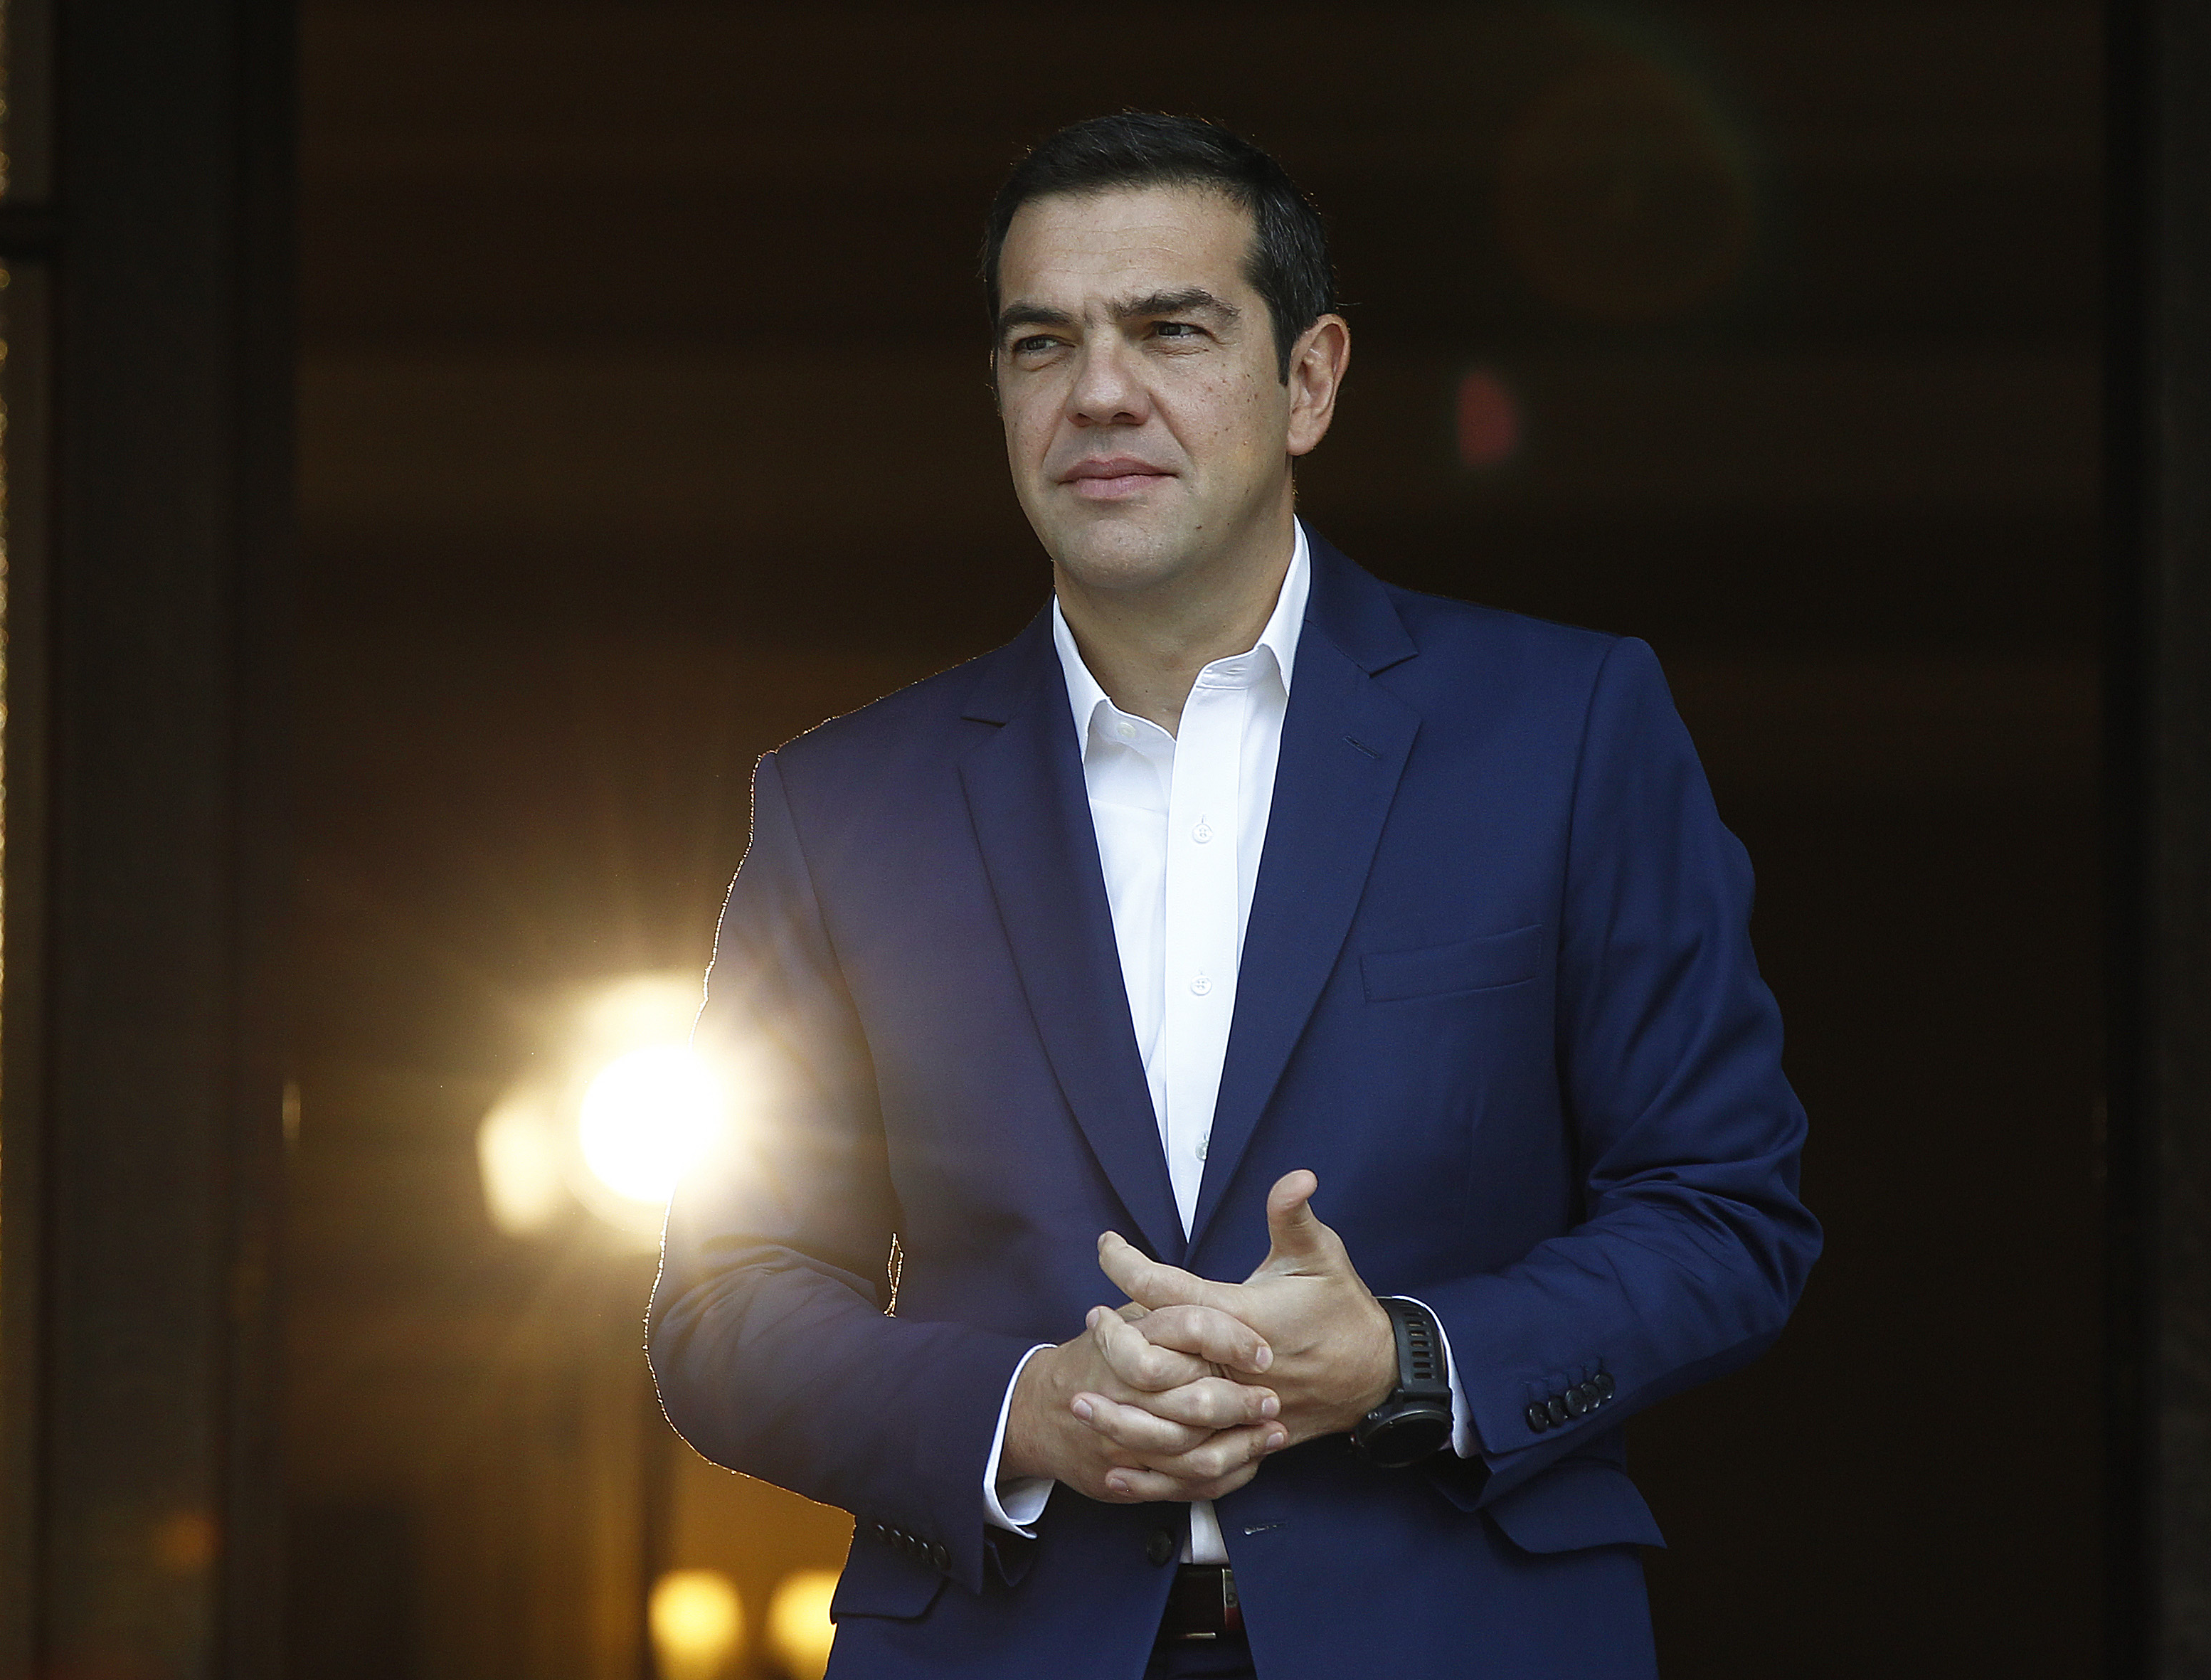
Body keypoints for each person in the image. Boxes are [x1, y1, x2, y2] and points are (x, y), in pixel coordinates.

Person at [647, 111, 1819, 1680]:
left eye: (1170, 330)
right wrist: (1020, 1407)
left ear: (1309, 380)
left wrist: (1406, 1360)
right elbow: (723, 1298)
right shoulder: (843, 804)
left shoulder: (1563, 730)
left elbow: (1724, 1209)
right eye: (1042, 342)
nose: (1098, 390)